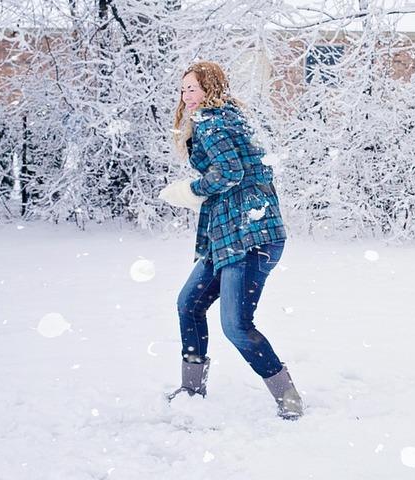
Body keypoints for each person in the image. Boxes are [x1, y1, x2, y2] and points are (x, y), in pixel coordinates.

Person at [158, 61, 303, 420]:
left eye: (192, 88)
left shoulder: (212, 121)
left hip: (249, 236)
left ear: (210, 89)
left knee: (236, 324)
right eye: (182, 90)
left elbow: (231, 172)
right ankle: (191, 389)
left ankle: (287, 396)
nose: (186, 96)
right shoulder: (229, 117)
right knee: (189, 303)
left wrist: (191, 190)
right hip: (232, 235)